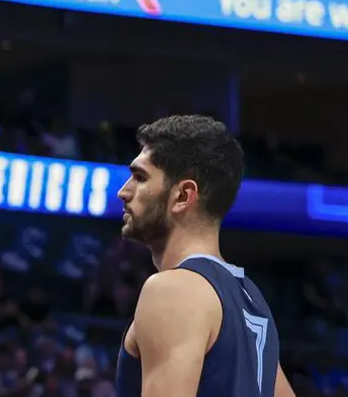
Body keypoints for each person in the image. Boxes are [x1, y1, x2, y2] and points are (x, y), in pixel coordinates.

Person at [114, 115, 296, 397]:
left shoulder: (173, 290)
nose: (123, 191)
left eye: (140, 177)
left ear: (184, 195)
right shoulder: (251, 300)